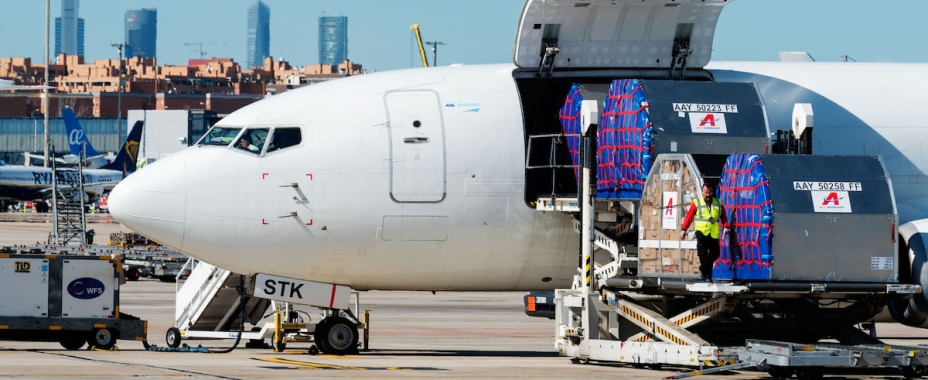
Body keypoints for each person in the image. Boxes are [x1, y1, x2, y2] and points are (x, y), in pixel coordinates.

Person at [679, 182, 729, 280]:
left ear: (712, 192)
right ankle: (707, 276)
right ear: (702, 192)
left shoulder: (718, 202)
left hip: (713, 233)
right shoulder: (697, 203)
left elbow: (723, 216)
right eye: (706, 193)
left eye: (710, 193)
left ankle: (703, 268)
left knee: (715, 254)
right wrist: (683, 229)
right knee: (703, 254)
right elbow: (689, 216)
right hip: (701, 232)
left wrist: (726, 226)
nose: (708, 195)